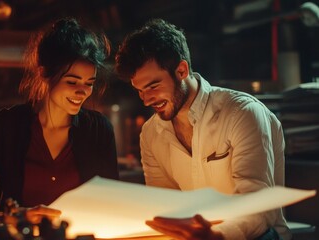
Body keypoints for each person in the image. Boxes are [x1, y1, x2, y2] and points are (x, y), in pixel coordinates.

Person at [115, 19, 290, 240]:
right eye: (140, 90)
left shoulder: (242, 113)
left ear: (181, 70)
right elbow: (167, 210)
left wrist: (214, 235)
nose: (147, 99)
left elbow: (257, 208)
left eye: (153, 86)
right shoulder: (151, 134)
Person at [0, 18, 119, 215]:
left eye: (89, 83)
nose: (82, 92)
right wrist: (20, 216)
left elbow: (112, 204)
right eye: (72, 82)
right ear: (43, 73)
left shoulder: (99, 130)